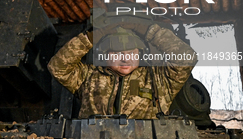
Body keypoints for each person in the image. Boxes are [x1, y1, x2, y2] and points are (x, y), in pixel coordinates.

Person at [47, 22, 197, 119]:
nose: (126, 59)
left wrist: (150, 31)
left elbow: (187, 58)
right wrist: (90, 38)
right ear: (105, 56)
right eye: (118, 53)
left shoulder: (157, 79)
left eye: (132, 53)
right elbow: (58, 67)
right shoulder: (88, 77)